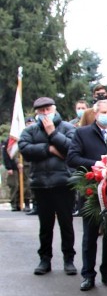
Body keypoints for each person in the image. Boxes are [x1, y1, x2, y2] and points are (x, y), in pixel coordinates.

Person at [18, 97, 78, 276]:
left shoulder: (67, 128)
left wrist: (53, 134)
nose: (45, 113)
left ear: (54, 109)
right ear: (36, 112)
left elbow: (71, 148)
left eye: (48, 109)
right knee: (45, 225)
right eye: (41, 110)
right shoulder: (30, 130)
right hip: (41, 184)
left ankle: (69, 259)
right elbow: (25, 149)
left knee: (66, 223)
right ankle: (45, 259)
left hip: (63, 183)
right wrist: (49, 149)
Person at [67, 99, 107, 292]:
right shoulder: (82, 133)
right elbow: (72, 158)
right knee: (90, 235)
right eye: (103, 112)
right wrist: (98, 165)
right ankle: (88, 275)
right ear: (96, 113)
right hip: (91, 190)